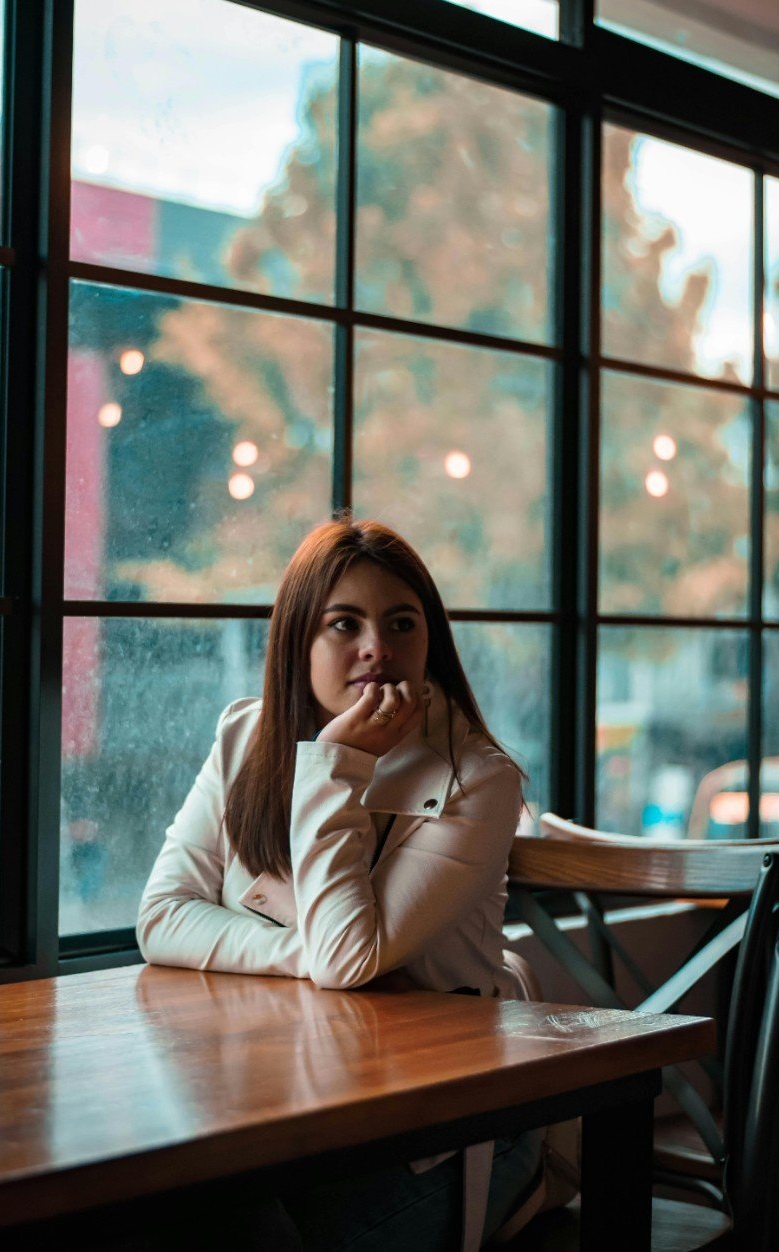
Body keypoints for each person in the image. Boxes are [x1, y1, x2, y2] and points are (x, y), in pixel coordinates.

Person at [137, 518, 541, 1251]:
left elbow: (348, 957)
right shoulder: (244, 737)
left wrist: (335, 764)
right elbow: (163, 916)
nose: (377, 647)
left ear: (430, 642)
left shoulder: (479, 779)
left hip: (438, 1132)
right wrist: (303, 953)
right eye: (343, 624)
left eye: (401, 624)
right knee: (161, 1207)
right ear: (298, 640)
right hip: (287, 1106)